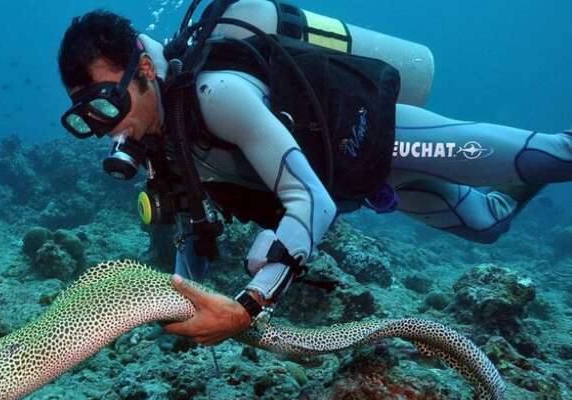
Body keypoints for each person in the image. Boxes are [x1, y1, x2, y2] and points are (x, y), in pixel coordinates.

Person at [56, 0, 572, 346]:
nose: (108, 127)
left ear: (143, 71)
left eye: (107, 103)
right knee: (488, 225)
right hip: (364, 184)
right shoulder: (155, 147)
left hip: (381, 139)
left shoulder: (218, 94)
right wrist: (185, 300)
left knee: (550, 155)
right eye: (88, 118)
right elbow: (196, 228)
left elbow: (313, 203)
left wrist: (248, 306)